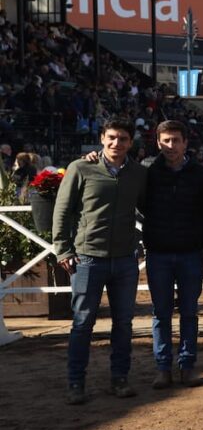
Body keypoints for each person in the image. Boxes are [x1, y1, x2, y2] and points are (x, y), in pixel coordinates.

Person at [53, 118, 147, 404]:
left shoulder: (138, 173)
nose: (116, 143)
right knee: (82, 323)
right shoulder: (81, 168)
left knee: (124, 323)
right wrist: (63, 250)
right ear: (102, 138)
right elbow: (62, 210)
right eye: (112, 137)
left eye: (123, 139)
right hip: (87, 259)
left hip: (125, 260)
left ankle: (120, 378)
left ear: (130, 142)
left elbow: (150, 209)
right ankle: (75, 382)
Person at [143, 120, 203, 389]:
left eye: (176, 140)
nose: (170, 146)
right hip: (158, 254)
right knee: (160, 314)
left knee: (189, 313)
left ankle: (187, 366)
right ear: (158, 142)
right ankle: (163, 368)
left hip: (190, 255)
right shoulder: (148, 173)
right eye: (165, 140)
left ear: (186, 143)